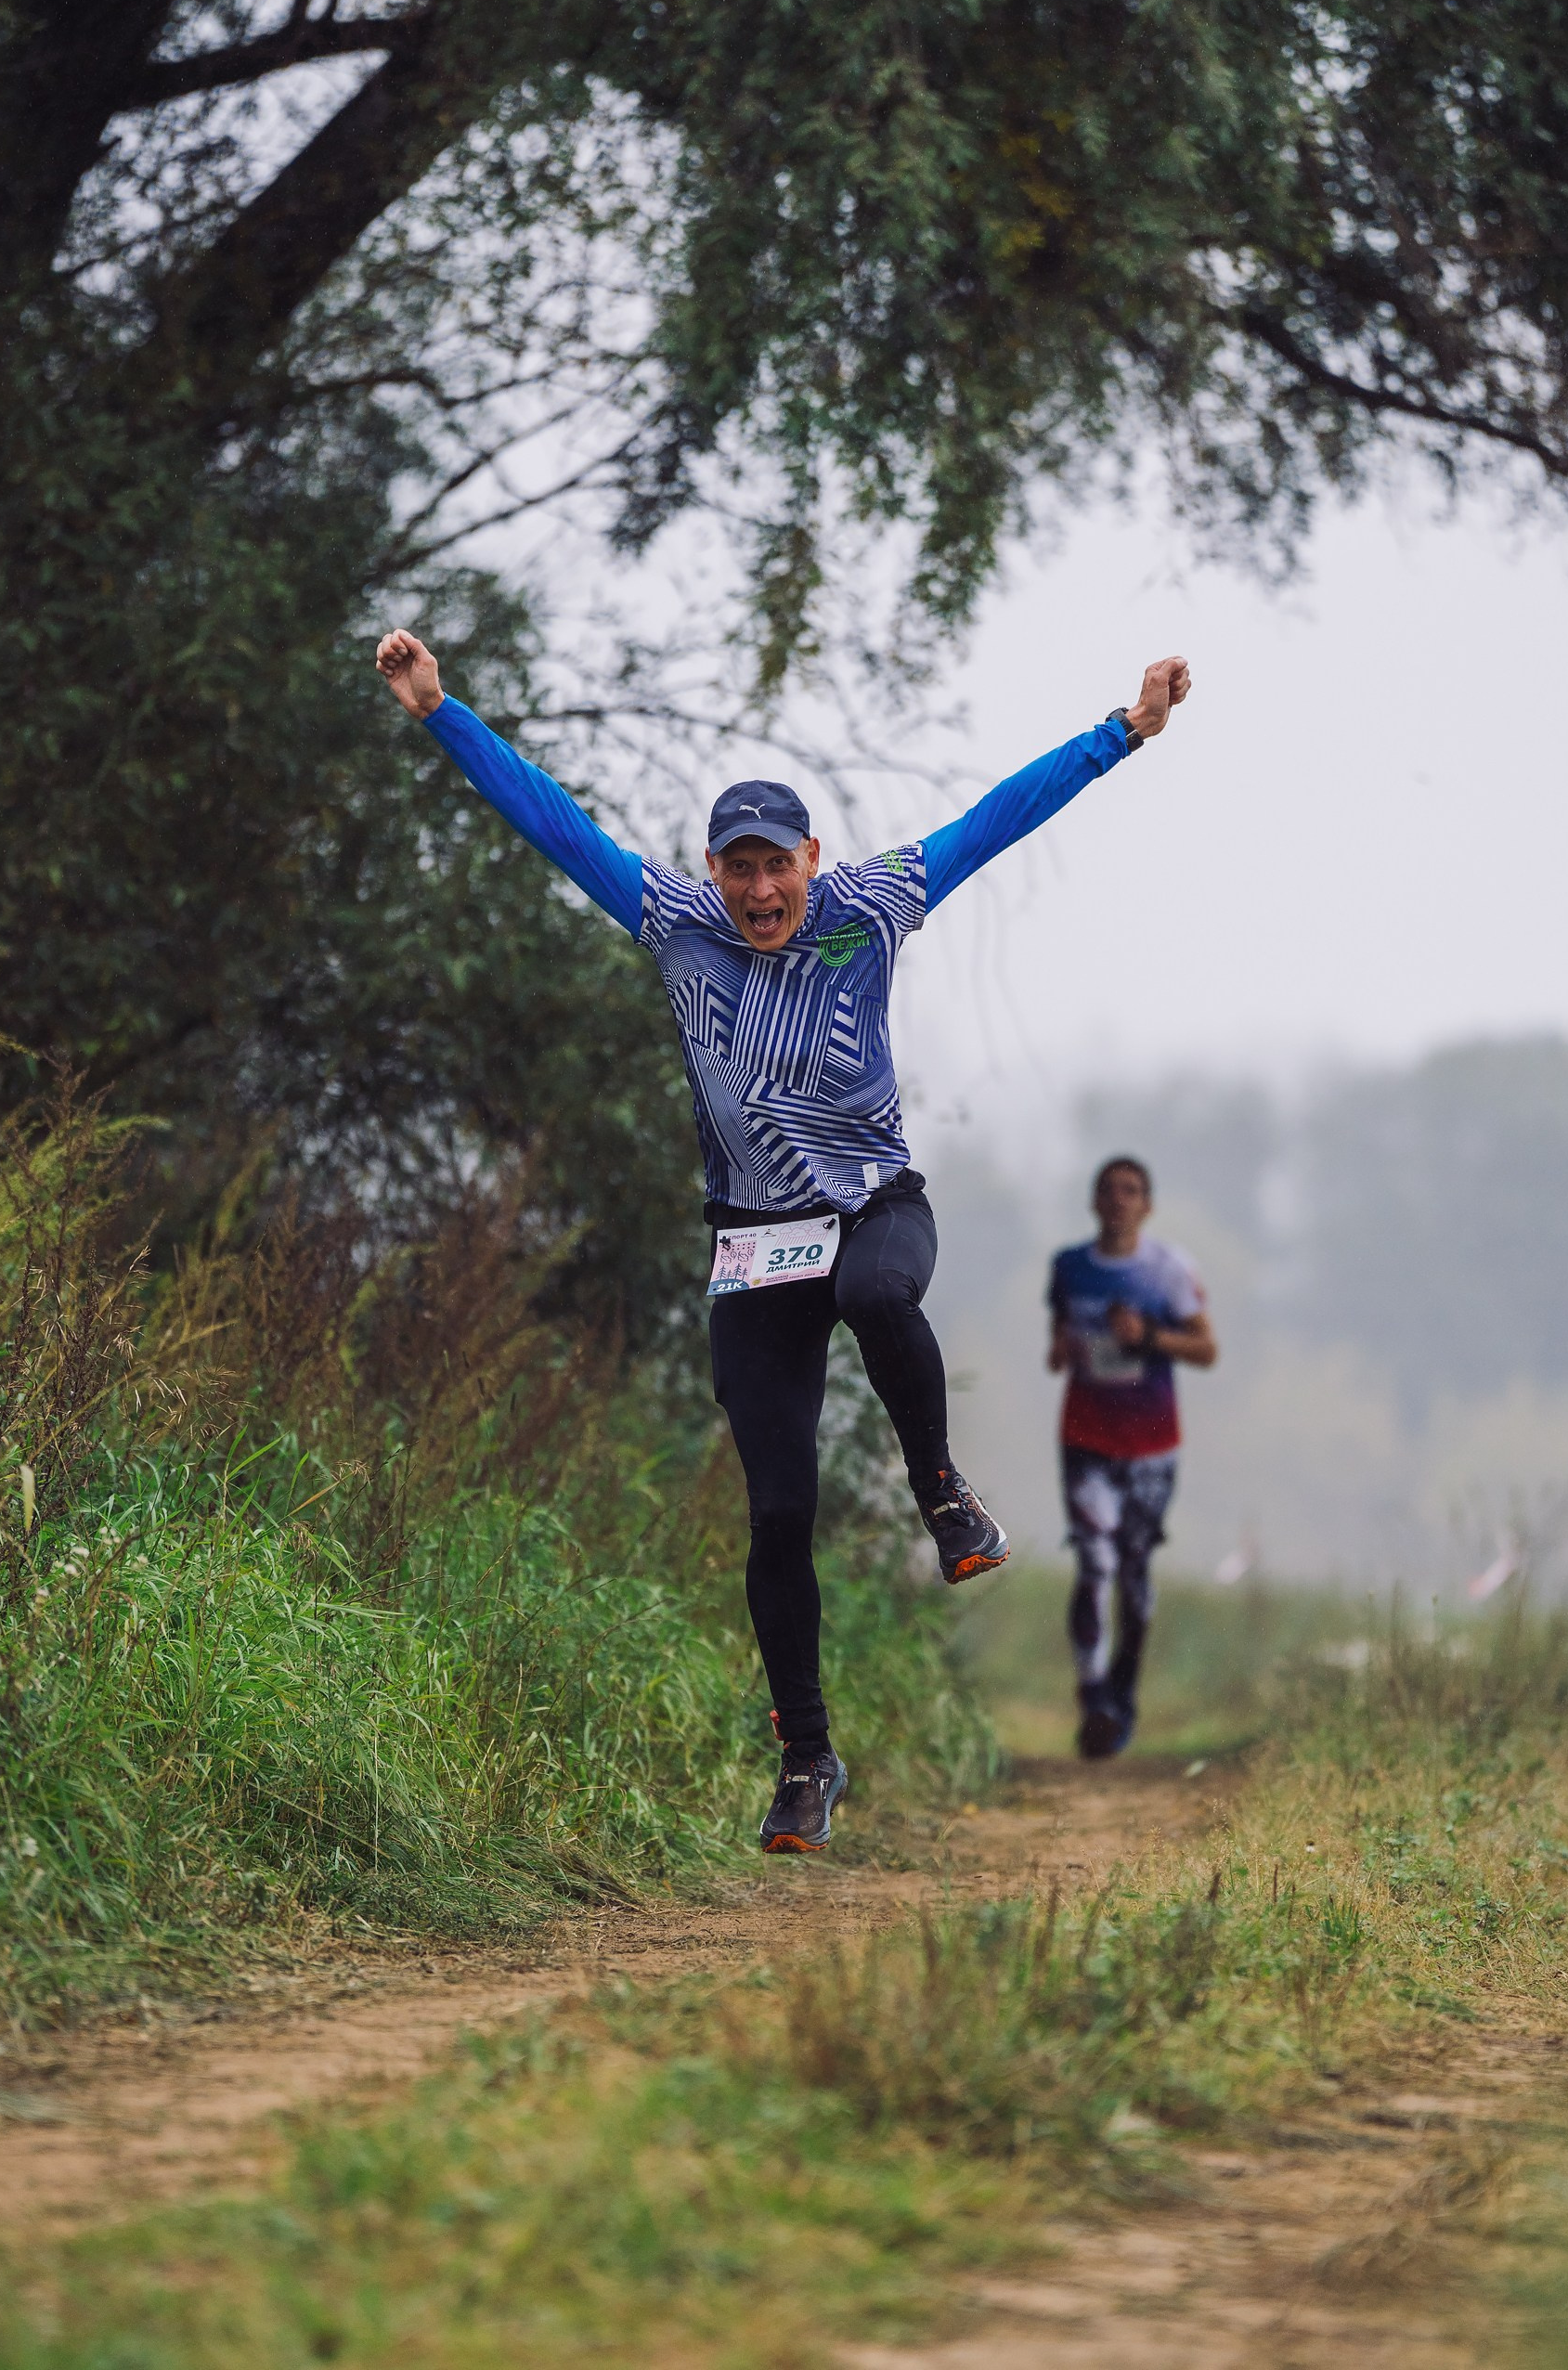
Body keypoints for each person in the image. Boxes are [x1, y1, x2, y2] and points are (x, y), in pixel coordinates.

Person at [376, 625, 1192, 1850]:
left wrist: (1121, 733)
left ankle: (943, 1495)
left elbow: (996, 817)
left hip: (875, 1210)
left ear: (814, 859)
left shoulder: (873, 905)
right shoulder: (672, 920)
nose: (760, 893)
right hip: (754, 1250)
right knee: (776, 1515)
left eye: (780, 868)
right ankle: (807, 1758)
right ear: (713, 869)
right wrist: (441, 712)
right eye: (739, 869)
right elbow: (552, 824)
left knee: (876, 1294)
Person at [1046, 1157, 1218, 1760]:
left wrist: (1147, 1338)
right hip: (1086, 1438)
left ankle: (1122, 1690)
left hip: (1152, 1444)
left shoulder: (1168, 1271)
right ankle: (1093, 1696)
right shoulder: (1069, 1268)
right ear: (1093, 1202)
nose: (1119, 1200)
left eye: (1131, 1191)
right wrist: (1067, 1347)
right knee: (1094, 1562)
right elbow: (1058, 1346)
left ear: (1148, 1205)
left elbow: (1206, 1348)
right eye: (1108, 1191)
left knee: (1134, 1572)